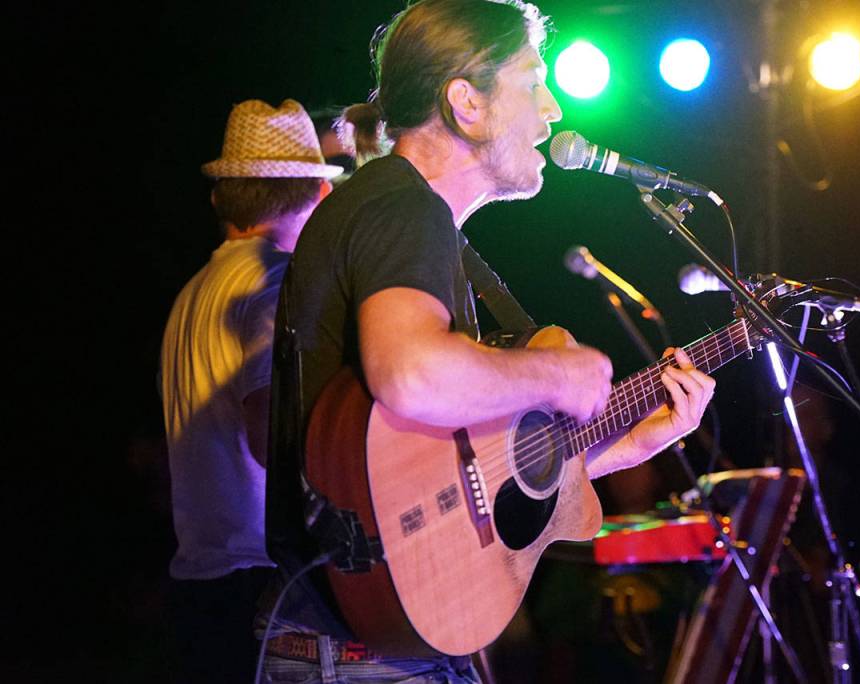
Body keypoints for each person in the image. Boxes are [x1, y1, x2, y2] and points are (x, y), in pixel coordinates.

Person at [261, 2, 716, 682]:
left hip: (370, 649)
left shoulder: (412, 220)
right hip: (365, 661)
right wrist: (558, 375)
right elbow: (409, 372)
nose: (553, 111)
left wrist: (636, 443)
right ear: (466, 103)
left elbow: (478, 477)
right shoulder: (404, 208)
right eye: (533, 82)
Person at [160, 98, 341, 683]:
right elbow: (270, 433)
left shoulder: (193, 292)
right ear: (320, 194)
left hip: (198, 585)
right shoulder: (274, 283)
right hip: (259, 586)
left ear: (221, 199)